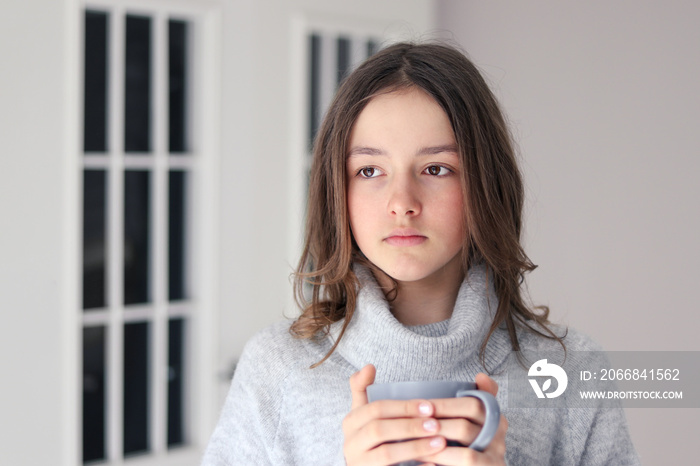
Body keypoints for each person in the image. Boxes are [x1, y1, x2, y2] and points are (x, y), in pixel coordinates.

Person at [202, 42, 639, 465]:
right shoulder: (275, 369)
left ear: (487, 184)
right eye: (369, 170)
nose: (402, 201)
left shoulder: (573, 372)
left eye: (436, 169)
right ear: (338, 190)